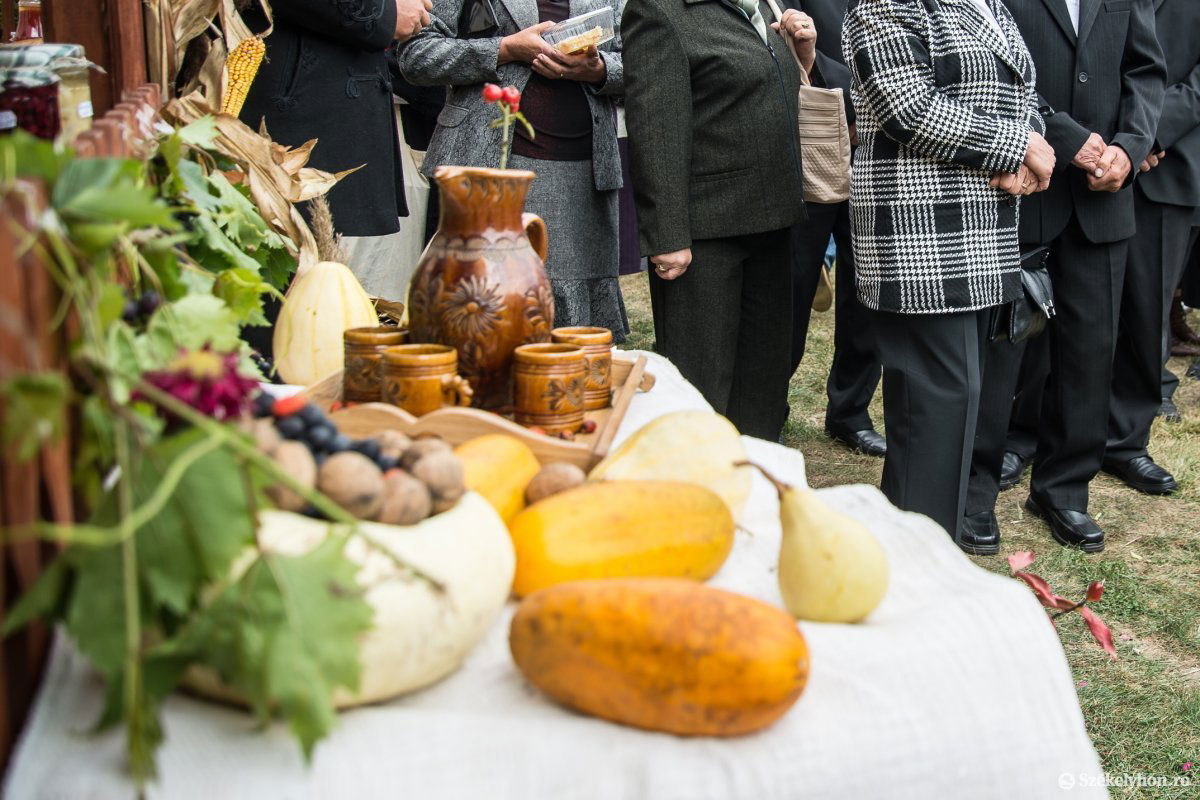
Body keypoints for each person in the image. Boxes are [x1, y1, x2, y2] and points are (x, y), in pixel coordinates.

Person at [843, 0, 1052, 549]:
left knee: (957, 404)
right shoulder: (885, 5)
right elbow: (910, 109)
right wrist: (1017, 146)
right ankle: (914, 573)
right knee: (934, 412)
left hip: (981, 227)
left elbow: (1023, 91)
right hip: (920, 234)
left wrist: (1026, 153)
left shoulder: (987, 4)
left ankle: (927, 562)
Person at [971, 0, 1165, 553]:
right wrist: (1062, 134)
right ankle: (975, 490)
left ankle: (1063, 491)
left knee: (1089, 351)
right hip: (1024, 186)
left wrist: (1130, 149)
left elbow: (1146, 71)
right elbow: (991, 67)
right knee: (1003, 345)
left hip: (1104, 200)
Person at [622, 0, 808, 441]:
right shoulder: (659, 11)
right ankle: (694, 491)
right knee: (699, 382)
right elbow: (655, 127)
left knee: (763, 377)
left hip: (772, 219)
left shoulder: (763, 5)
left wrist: (802, 57)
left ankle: (755, 482)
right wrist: (667, 233)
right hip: (705, 230)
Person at [397, 0, 628, 340]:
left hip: (585, 176)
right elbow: (417, 56)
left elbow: (644, 63)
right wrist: (504, 49)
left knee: (575, 336)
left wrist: (599, 69)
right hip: (490, 170)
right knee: (484, 311)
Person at [238, 0, 431, 355]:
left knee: (313, 286)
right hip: (292, 119)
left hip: (324, 106)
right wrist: (386, 13)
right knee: (279, 283)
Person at [782, 0, 885, 458]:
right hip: (816, 140)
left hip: (884, 148)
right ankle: (769, 404)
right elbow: (783, 36)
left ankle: (850, 411)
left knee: (868, 290)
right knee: (793, 283)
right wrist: (860, 96)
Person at [1105, 0, 1199, 492]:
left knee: (1147, 311)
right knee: (1064, 306)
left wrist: (1145, 136)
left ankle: (1126, 441)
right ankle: (1030, 431)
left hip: (1170, 162)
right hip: (1089, 151)